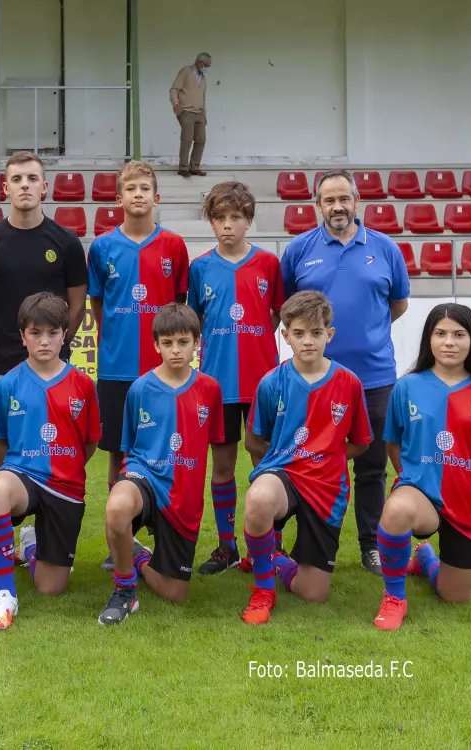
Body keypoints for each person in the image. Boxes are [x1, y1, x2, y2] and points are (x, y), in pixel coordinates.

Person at [280, 169, 410, 576]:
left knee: (371, 465)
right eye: (328, 200)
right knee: (308, 460)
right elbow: (287, 308)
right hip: (313, 380)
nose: (337, 207)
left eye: (344, 199)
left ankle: (371, 545)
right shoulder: (299, 250)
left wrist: (364, 337)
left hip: (373, 379)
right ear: (317, 205)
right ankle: (306, 543)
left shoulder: (386, 248)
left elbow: (398, 304)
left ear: (357, 201)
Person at [0, 151, 88, 575]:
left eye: (31, 178)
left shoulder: (66, 243)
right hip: (2, 365)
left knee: (55, 449)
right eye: (16, 178)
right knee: (4, 453)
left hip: (56, 371)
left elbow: (76, 304)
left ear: (44, 187)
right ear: (6, 187)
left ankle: (36, 540)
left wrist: (55, 346)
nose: (24, 185)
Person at [240, 291, 372, 625]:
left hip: (328, 485)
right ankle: (263, 589)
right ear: (285, 336)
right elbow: (254, 440)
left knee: (313, 593)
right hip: (284, 475)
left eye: (316, 333)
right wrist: (271, 473)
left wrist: (327, 459)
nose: (308, 341)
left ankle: (274, 558)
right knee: (258, 499)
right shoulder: (272, 382)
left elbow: (359, 443)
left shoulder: (350, 384)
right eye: (298, 333)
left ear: (330, 334)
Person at [373, 304, 471, 631]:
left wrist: (463, 474)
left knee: (454, 597)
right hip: (422, 493)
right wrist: (411, 480)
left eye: (459, 334)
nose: (450, 342)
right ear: (428, 339)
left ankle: (426, 558)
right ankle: (394, 597)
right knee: (397, 508)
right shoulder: (407, 387)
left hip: (469, 501)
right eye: (441, 333)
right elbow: (393, 443)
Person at [87, 160, 189, 569]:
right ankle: (120, 546)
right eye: (131, 189)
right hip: (116, 369)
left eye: (145, 188)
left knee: (170, 451)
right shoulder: (102, 247)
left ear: (156, 196)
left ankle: (168, 539)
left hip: (166, 373)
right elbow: (98, 304)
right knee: (117, 452)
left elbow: (181, 305)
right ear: (119, 198)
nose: (139, 195)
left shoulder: (174, 246)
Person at [0, 292, 101, 630]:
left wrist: (65, 465)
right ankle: (5, 595)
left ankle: (30, 545)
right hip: (23, 477)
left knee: (50, 588)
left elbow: (89, 443)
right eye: (35, 333)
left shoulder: (83, 385)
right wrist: (16, 470)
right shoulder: (8, 384)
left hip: (66, 487)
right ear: (23, 336)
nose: (44, 341)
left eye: (52, 333)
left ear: (65, 333)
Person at [99, 304, 224, 625]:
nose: (176, 350)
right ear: (156, 345)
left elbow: (212, 447)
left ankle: (138, 557)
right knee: (117, 508)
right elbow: (128, 451)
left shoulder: (210, 390)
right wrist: (122, 497)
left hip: (183, 497)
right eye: (167, 343)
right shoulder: (139, 388)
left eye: (183, 342)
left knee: (175, 592)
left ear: (198, 342)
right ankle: (124, 591)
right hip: (144, 478)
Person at [188, 182, 284, 575]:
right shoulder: (200, 268)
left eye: (236, 218)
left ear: (249, 221)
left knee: (266, 461)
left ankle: (270, 548)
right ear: (211, 223)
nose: (228, 225)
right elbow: (195, 322)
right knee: (223, 466)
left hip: (263, 384)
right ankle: (227, 547)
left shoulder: (268, 265)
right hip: (217, 385)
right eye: (220, 218)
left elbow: (276, 316)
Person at [169, 54, 211, 177]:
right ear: (199, 63)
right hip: (186, 111)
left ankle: (194, 167)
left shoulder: (203, 78)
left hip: (199, 113)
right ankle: (183, 168)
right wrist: (175, 103)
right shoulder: (185, 71)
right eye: (206, 65)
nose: (207, 68)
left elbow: (203, 97)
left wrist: (204, 114)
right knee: (186, 139)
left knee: (201, 139)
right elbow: (174, 89)